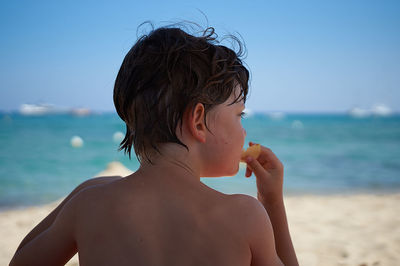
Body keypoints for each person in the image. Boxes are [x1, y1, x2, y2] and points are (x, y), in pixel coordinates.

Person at [10, 25, 298, 266]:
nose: (244, 129)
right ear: (198, 122)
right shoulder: (245, 215)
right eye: (239, 115)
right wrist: (272, 201)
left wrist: (85, 190)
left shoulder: (89, 205)